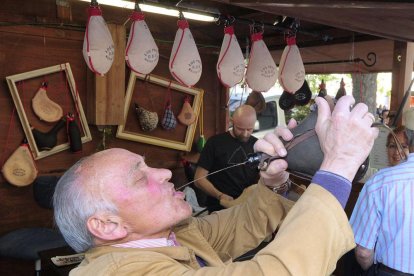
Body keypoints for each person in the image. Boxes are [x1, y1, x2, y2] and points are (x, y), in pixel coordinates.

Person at [53, 95, 378, 275]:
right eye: (140, 177)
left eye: (149, 165)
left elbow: (246, 222)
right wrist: (339, 168)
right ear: (107, 226)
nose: (164, 174)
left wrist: (278, 182)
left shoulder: (175, 236)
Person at [350, 127, 414, 274]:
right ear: (386, 149)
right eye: (392, 145)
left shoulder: (379, 182)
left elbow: (363, 252)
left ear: (411, 148)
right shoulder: (378, 179)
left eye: (403, 146)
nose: (397, 151)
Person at [194, 105, 260, 212]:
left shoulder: (258, 145)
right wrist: (219, 195)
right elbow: (199, 179)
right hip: (219, 207)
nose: (245, 134)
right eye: (240, 128)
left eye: (249, 129)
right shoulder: (215, 143)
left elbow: (263, 176)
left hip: (248, 206)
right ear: (231, 121)